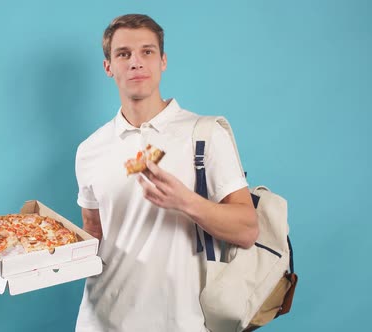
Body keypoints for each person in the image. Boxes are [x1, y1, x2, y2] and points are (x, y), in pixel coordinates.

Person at [74, 14, 259, 332]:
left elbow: (247, 230)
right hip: (99, 321)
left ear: (163, 61)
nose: (135, 63)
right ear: (109, 67)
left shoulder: (205, 134)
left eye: (147, 52)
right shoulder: (89, 150)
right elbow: (93, 235)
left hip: (181, 321)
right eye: (123, 54)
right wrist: (37, 259)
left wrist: (186, 201)